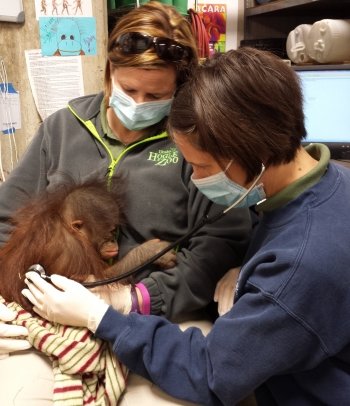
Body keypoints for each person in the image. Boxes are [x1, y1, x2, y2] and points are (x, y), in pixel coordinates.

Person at [23, 46, 350, 406]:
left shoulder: (301, 264)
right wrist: (249, 271)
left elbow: (209, 373)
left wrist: (100, 317)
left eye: (203, 167)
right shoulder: (330, 179)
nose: (194, 179)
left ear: (254, 156)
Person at [0, 1, 252, 403]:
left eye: (155, 94)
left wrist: (132, 298)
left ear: (181, 90)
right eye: (128, 88)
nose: (137, 103)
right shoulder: (64, 127)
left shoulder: (194, 141)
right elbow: (5, 222)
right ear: (108, 75)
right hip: (51, 310)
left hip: (164, 313)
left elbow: (218, 245)